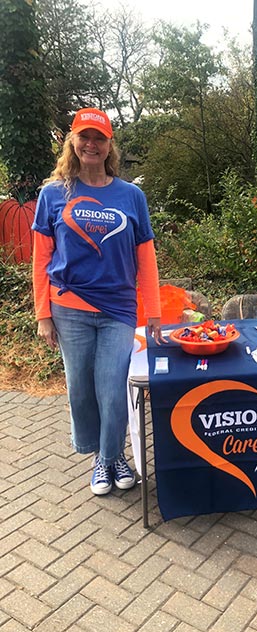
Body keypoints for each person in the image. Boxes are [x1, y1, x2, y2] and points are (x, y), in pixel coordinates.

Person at [32, 107, 166, 496]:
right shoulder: (53, 194)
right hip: (68, 308)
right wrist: (43, 313)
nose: (92, 144)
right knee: (81, 389)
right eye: (84, 137)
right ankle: (99, 457)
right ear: (73, 142)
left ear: (110, 146)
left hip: (118, 309)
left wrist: (153, 310)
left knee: (112, 388)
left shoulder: (131, 196)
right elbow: (41, 259)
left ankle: (113, 456)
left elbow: (146, 258)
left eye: (100, 138)